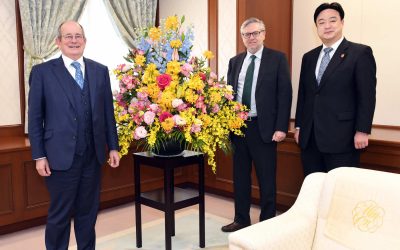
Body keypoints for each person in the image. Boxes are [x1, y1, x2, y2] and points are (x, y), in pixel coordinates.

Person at [28, 20, 120, 250]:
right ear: (58, 42)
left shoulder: (100, 71)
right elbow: (35, 118)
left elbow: (108, 113)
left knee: (88, 214)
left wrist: (113, 146)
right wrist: (39, 155)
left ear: (85, 41)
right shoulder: (42, 73)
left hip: (93, 157)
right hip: (59, 157)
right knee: (60, 216)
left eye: (78, 36)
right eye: (68, 36)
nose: (74, 40)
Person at [221, 17, 292, 232]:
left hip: (265, 127)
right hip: (238, 127)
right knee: (240, 177)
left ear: (264, 34)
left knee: (266, 178)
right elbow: (229, 95)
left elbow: (285, 94)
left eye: (255, 33)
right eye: (246, 34)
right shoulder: (235, 61)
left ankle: (267, 222)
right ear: (242, 38)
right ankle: (241, 219)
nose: (251, 37)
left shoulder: (277, 59)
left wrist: (281, 127)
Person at [294, 2, 376, 176]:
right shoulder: (309, 57)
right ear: (316, 27)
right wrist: (299, 126)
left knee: (339, 190)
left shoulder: (360, 53)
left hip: (342, 138)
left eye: (332, 20)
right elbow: (304, 94)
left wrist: (362, 130)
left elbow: (367, 96)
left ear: (342, 23)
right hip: (310, 138)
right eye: (321, 22)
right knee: (314, 187)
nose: (327, 26)